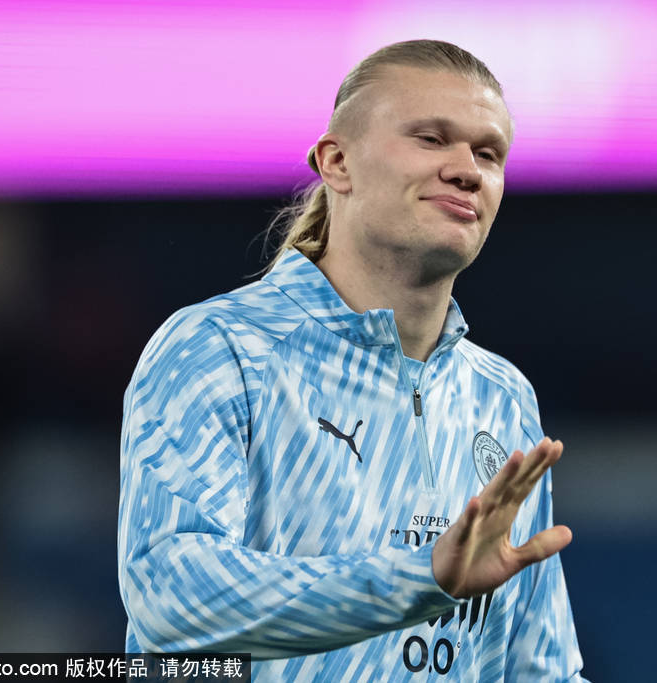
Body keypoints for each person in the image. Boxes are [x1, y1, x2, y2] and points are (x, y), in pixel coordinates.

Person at [118, 39, 587, 681]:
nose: (467, 170)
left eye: (488, 153)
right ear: (337, 163)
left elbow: (538, 670)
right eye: (431, 139)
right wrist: (421, 579)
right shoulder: (220, 348)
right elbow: (169, 597)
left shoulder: (502, 396)